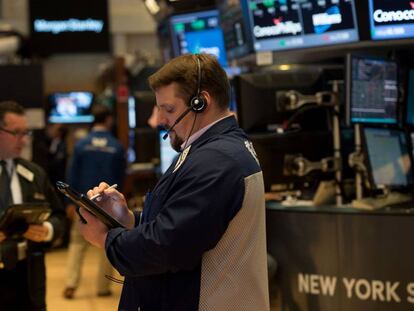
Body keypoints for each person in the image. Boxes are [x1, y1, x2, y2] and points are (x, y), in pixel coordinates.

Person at [78, 53, 270, 310]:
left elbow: (167, 246)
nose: (159, 120)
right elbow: (184, 222)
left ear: (201, 102)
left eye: (168, 109)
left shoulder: (217, 160)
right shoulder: (211, 150)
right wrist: (128, 219)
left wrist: (104, 238)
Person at [0, 101, 67, 311]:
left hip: (28, 273)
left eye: (26, 133)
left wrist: (47, 230)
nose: (24, 140)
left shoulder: (34, 173)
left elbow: (59, 216)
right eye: (16, 133)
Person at [63, 104, 126, 299]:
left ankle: (71, 284)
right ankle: (102, 287)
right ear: (108, 120)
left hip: (83, 202)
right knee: (107, 243)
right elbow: (121, 177)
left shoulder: (82, 144)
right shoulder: (116, 146)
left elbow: (72, 173)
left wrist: (70, 203)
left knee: (77, 243)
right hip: (109, 205)